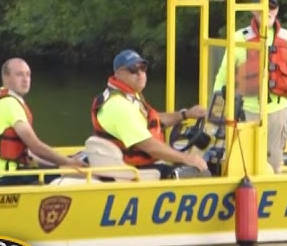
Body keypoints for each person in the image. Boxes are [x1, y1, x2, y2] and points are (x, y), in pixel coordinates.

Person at [213, 0, 287, 173]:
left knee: (273, 167)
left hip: (277, 113)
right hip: (246, 113)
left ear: (277, 10)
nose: (267, 12)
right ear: (253, 10)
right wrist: (216, 109)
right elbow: (223, 76)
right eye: (262, 8)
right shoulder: (239, 38)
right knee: (244, 167)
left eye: (272, 7)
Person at [89, 49, 209, 179]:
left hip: (130, 164)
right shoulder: (118, 105)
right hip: (135, 171)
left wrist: (185, 114)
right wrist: (187, 159)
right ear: (118, 73)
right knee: (201, 172)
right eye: (133, 70)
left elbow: (152, 120)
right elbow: (150, 146)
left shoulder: (127, 95)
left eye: (142, 68)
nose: (140, 74)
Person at [0, 58, 85, 186]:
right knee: (66, 174)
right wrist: (68, 163)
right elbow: (35, 146)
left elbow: (29, 153)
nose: (25, 80)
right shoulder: (10, 104)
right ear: (6, 77)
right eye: (19, 75)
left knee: (54, 170)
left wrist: (60, 161)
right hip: (2, 179)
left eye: (28, 74)